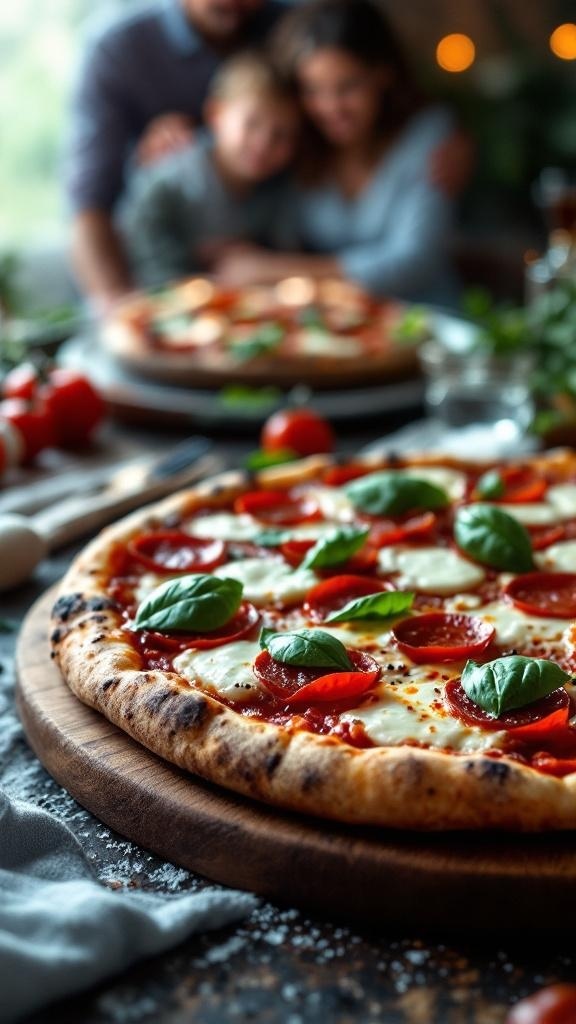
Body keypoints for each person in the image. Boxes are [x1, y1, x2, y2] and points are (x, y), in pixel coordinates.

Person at [211, 0, 460, 305]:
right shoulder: (292, 144)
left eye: (348, 87)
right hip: (330, 328)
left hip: (426, 320)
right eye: (313, 90)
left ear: (382, 74)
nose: (330, 108)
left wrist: (274, 270)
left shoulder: (428, 137)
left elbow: (414, 263)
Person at [66, 0, 287, 313]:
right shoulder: (119, 49)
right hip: (149, 292)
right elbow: (89, 203)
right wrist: (127, 313)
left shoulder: (289, 26)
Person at [118, 54, 300, 288]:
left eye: (281, 135)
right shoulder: (164, 184)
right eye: (252, 123)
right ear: (216, 115)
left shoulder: (280, 193)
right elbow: (154, 276)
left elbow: (284, 259)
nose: (264, 144)